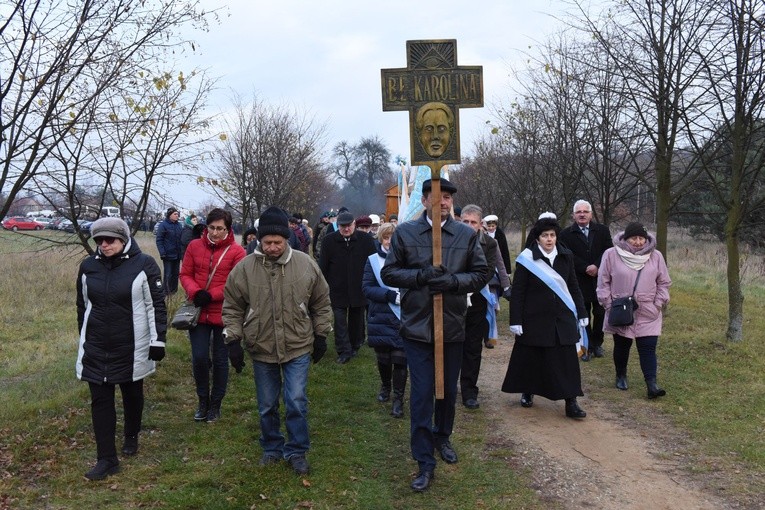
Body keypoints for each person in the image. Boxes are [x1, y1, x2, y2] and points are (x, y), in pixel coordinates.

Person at [381, 178, 488, 492]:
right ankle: (424, 460)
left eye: (448, 198)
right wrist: (420, 276)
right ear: (425, 200)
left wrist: (453, 283)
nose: (443, 202)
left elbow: (481, 273)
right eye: (437, 197)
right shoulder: (405, 233)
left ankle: (443, 436)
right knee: (423, 393)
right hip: (417, 328)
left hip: (452, 326)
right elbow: (390, 272)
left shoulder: (466, 235)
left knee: (447, 393)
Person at [222, 206, 332, 475]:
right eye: (267, 242)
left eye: (278, 242)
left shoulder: (306, 265)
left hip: (298, 344)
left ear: (287, 240)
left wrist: (321, 334)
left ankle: (297, 450)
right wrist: (233, 340)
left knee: (296, 400)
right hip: (261, 346)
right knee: (267, 404)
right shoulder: (245, 269)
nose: (272, 247)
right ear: (259, 240)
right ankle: (271, 447)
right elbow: (233, 306)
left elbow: (321, 301)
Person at [76, 218, 167, 480]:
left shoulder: (144, 265)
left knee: (131, 392)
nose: (104, 245)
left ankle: (131, 434)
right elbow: (82, 305)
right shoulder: (88, 266)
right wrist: (84, 335)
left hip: (131, 344)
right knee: (100, 401)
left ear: (124, 239)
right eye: (99, 241)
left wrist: (158, 340)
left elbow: (155, 306)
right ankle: (106, 459)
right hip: (96, 345)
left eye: (110, 240)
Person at [501, 216, 589, 420]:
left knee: (567, 361)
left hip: (562, 318)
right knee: (532, 358)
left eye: (552, 235)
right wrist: (516, 320)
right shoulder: (526, 259)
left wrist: (582, 312)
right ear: (538, 238)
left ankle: (571, 401)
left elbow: (573, 287)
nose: (549, 239)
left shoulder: (566, 256)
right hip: (535, 318)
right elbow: (519, 292)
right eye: (545, 236)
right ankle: (527, 391)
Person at [180, 208, 246, 422]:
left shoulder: (237, 253)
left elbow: (235, 283)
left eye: (220, 228)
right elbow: (185, 273)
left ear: (228, 229)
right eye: (212, 228)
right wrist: (195, 291)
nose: (215, 233)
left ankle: (216, 404)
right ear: (206, 227)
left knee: (220, 360)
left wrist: (212, 294)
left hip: (223, 312)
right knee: (199, 358)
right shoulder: (194, 246)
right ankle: (202, 400)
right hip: (197, 312)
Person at [597, 222, 671, 398]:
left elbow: (664, 282)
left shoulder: (656, 256)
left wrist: (658, 304)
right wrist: (608, 304)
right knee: (622, 346)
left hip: (648, 310)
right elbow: (603, 282)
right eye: (634, 238)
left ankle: (651, 384)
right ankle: (621, 374)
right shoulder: (611, 254)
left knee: (648, 348)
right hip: (621, 309)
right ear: (626, 238)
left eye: (641, 238)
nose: (638, 242)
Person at [459, 205, 510, 410]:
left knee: (472, 346)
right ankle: (445, 387)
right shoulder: (449, 238)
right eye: (465, 222)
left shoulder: (490, 243)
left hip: (477, 298)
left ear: (481, 224)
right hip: (453, 298)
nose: (469, 226)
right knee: (451, 343)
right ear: (459, 221)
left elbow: (488, 271)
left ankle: (469, 391)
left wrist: (469, 287)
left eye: (473, 222)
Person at [362, 222, 407, 418]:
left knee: (400, 359)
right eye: (386, 237)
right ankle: (385, 387)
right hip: (381, 315)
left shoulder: (407, 259)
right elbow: (367, 287)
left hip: (402, 317)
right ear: (381, 239)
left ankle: (398, 398)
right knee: (384, 358)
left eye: (393, 237)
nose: (390, 242)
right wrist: (388, 295)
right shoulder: (372, 260)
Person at [319, 211, 376, 364]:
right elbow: (323, 266)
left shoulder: (366, 240)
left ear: (354, 225)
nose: (346, 229)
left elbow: (373, 263)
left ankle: (355, 344)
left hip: (359, 287)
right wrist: (322, 286)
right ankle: (343, 349)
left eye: (349, 226)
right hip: (337, 287)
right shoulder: (329, 241)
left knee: (357, 319)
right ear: (338, 226)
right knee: (339, 320)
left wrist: (371, 282)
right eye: (342, 226)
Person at [559, 200, 613, 360]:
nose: (582, 214)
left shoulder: (602, 231)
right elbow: (566, 254)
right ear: (574, 215)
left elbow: (608, 251)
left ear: (590, 214)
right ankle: (587, 345)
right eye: (578, 212)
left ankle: (598, 343)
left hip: (600, 279)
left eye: (585, 211)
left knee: (600, 313)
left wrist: (596, 265)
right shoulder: (565, 234)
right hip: (579, 280)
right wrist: (585, 267)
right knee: (584, 315)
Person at [155, 207, 183, 295]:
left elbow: (181, 239)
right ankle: (166, 292)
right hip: (167, 255)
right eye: (175, 214)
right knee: (168, 274)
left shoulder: (179, 225)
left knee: (176, 274)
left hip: (177, 255)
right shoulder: (163, 225)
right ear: (169, 215)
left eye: (177, 214)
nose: (177, 216)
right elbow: (159, 240)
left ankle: (174, 291)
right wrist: (162, 252)